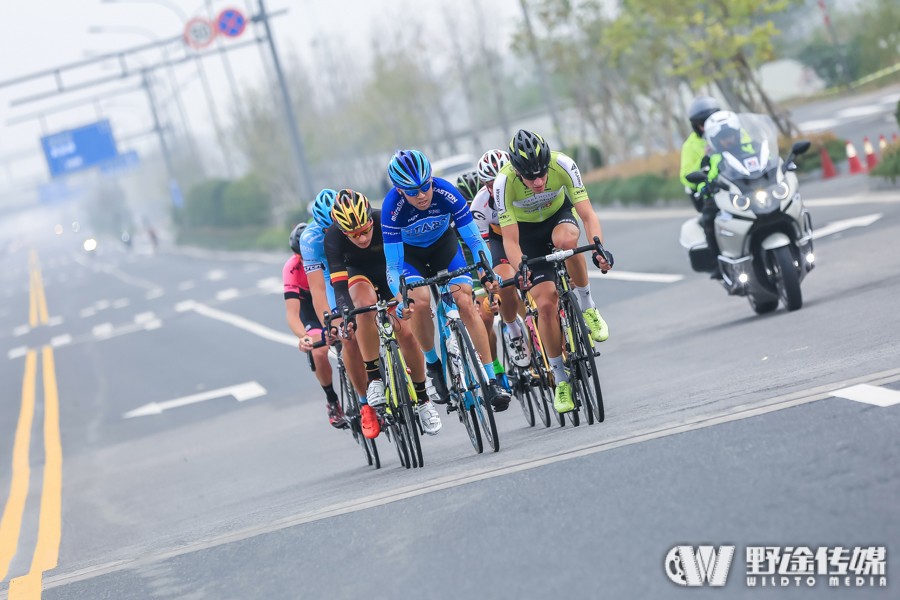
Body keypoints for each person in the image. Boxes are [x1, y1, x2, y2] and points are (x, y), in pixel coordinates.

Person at [382, 149, 512, 412]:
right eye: (412, 191)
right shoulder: (391, 209)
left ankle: (489, 379)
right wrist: (400, 298)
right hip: (411, 259)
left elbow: (475, 240)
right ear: (399, 191)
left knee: (465, 299)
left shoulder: (446, 193)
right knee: (417, 302)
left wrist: (486, 273)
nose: (421, 195)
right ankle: (434, 365)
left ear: (432, 180)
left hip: (445, 249)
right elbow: (393, 265)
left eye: (424, 187)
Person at [494, 130, 611, 414]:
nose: (538, 181)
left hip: (560, 217)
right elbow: (509, 240)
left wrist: (598, 248)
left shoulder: (564, 165)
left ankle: (587, 305)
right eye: (530, 177)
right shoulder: (503, 183)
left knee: (568, 242)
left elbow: (587, 215)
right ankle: (560, 378)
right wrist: (521, 266)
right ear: (516, 171)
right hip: (527, 236)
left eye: (542, 174)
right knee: (545, 304)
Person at [325, 189, 443, 436]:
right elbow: (338, 284)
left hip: (389, 271)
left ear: (371, 219)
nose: (362, 238)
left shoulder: (383, 220)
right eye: (354, 235)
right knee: (362, 306)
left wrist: (404, 300)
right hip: (359, 275)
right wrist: (345, 312)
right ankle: (375, 379)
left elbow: (401, 264)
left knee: (407, 334)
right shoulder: (333, 238)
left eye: (365, 230)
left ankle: (423, 401)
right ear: (343, 230)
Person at [299, 189, 376, 437]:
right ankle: (365, 402)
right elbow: (317, 288)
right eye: (325, 229)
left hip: (356, 267)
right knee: (346, 333)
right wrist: (328, 322)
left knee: (374, 312)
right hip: (328, 276)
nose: (329, 233)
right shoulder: (310, 239)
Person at [471, 149, 532, 371]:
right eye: (489, 183)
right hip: (497, 239)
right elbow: (483, 250)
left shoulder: (525, 188)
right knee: (505, 281)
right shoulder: (479, 206)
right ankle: (514, 332)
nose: (495, 187)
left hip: (525, 232)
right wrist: (488, 282)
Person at [284, 222, 345, 429]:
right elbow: (292, 313)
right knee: (319, 352)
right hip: (310, 309)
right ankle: (332, 400)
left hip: (331, 297)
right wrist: (304, 336)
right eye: (300, 256)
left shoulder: (327, 252)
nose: (305, 260)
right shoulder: (292, 269)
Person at [455, 169, 508, 388]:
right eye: (467, 205)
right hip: (467, 264)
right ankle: (494, 365)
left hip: (489, 253)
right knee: (485, 317)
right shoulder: (454, 218)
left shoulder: (492, 208)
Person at [680, 96, 723, 276]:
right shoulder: (691, 145)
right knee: (709, 221)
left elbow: (752, 149)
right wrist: (704, 163)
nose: (708, 125)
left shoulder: (733, 131)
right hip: (713, 192)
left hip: (741, 184)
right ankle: (718, 265)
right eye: (703, 123)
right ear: (696, 126)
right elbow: (686, 176)